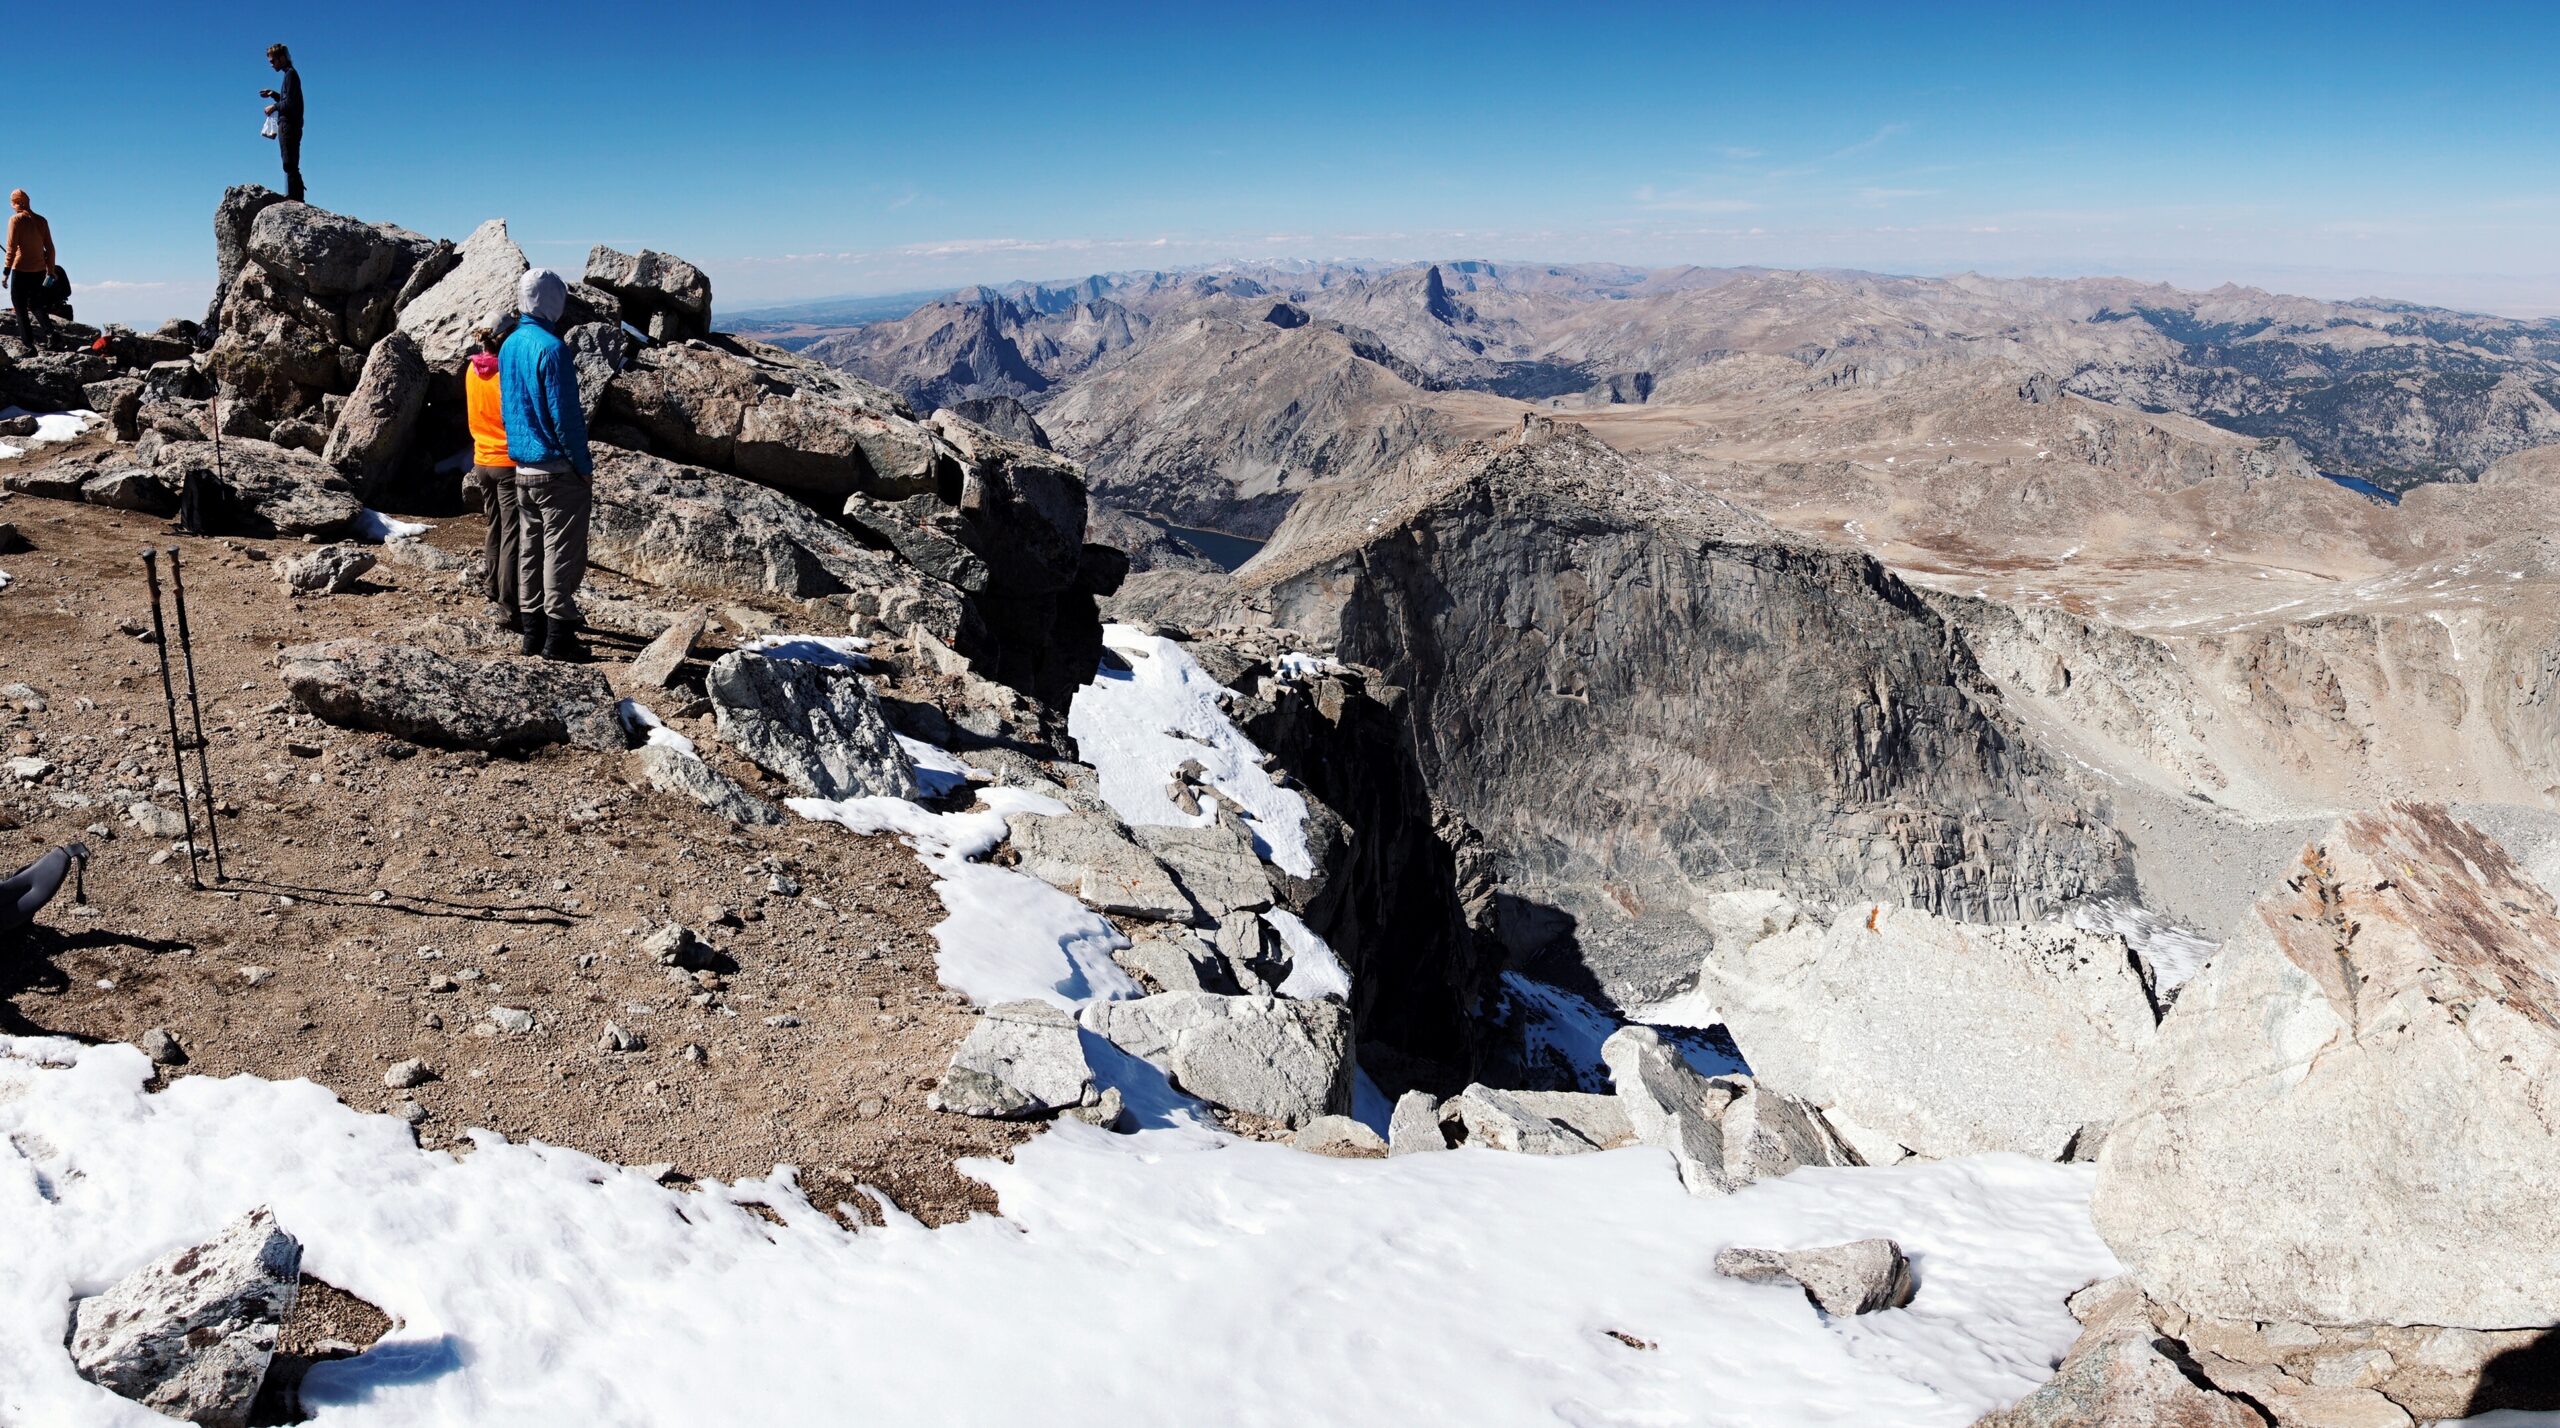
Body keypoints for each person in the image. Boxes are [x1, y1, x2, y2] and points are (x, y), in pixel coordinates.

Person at [501, 269, 593, 662]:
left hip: (522, 467)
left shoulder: (508, 345)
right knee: (559, 553)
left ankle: (531, 633)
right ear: (551, 301)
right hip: (556, 469)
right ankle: (558, 639)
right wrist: (583, 465)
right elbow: (566, 418)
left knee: (530, 550)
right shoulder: (553, 349)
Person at [461, 324, 525, 636]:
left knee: (495, 525)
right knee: (512, 533)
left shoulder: (472, 371)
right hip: (507, 462)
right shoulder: (507, 375)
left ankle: (491, 585)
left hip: (482, 459)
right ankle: (509, 605)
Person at [4, 190, 60, 353]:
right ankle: (51, 333)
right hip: (39, 270)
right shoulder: (42, 221)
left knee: (20, 307)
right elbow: (50, 248)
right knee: (35, 304)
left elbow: (11, 248)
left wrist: (6, 271)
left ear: (16, 202)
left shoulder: (15, 220)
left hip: (20, 269)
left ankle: (29, 345)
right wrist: (50, 269)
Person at [260, 43, 305, 202]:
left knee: (289, 163)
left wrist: (274, 107)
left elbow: (290, 104)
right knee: (290, 162)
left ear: (282, 58)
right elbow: (288, 100)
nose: (271, 65)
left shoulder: (290, 75)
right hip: (291, 124)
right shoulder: (290, 75)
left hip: (289, 125)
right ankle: (295, 196)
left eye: (273, 61)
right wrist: (274, 95)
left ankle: (295, 198)